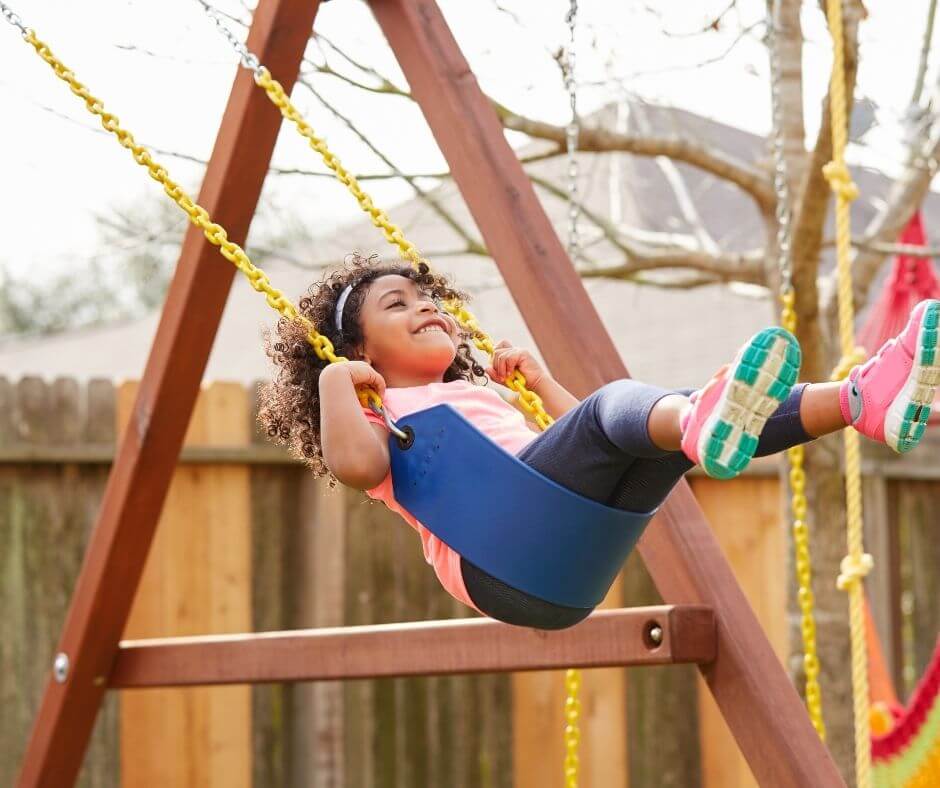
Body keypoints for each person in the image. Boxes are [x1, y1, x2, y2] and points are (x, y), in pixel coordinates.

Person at [259, 255, 939, 629]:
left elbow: (583, 435)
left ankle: (860, 400)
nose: (426, 308)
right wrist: (337, 383)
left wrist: (544, 381)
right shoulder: (390, 415)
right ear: (354, 346)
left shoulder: (479, 399)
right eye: (398, 304)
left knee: (656, 431)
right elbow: (354, 467)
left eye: (426, 298)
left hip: (562, 558)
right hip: (500, 558)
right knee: (634, 404)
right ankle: (703, 418)